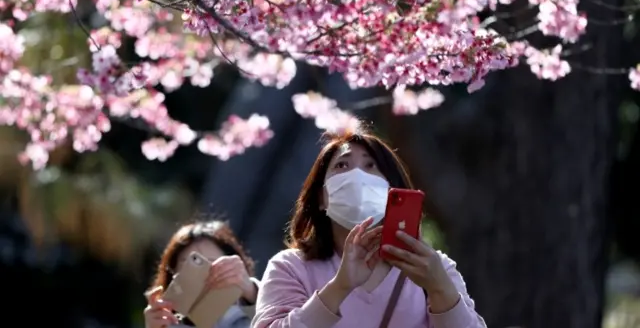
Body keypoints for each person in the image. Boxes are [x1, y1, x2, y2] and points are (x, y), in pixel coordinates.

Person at [252, 125, 487, 328]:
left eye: (371, 166)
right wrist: (340, 286)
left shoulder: (434, 267)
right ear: (322, 197)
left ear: (392, 191)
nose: (357, 175)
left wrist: (439, 288)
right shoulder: (291, 268)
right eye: (342, 166)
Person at [144, 220, 260, 328]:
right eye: (190, 265)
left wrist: (253, 292)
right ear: (173, 275)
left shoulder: (256, 318)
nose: (204, 277)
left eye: (213, 265)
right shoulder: (165, 323)